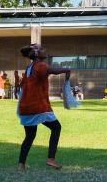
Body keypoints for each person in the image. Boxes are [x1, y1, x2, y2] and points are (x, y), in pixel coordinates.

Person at [17, 43, 70, 171]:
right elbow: (51, 71)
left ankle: (21, 165)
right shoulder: (40, 65)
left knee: (30, 136)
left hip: (26, 107)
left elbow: (21, 87)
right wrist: (66, 69)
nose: (44, 51)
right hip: (38, 107)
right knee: (56, 128)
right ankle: (51, 159)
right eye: (41, 49)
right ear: (36, 53)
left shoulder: (29, 67)